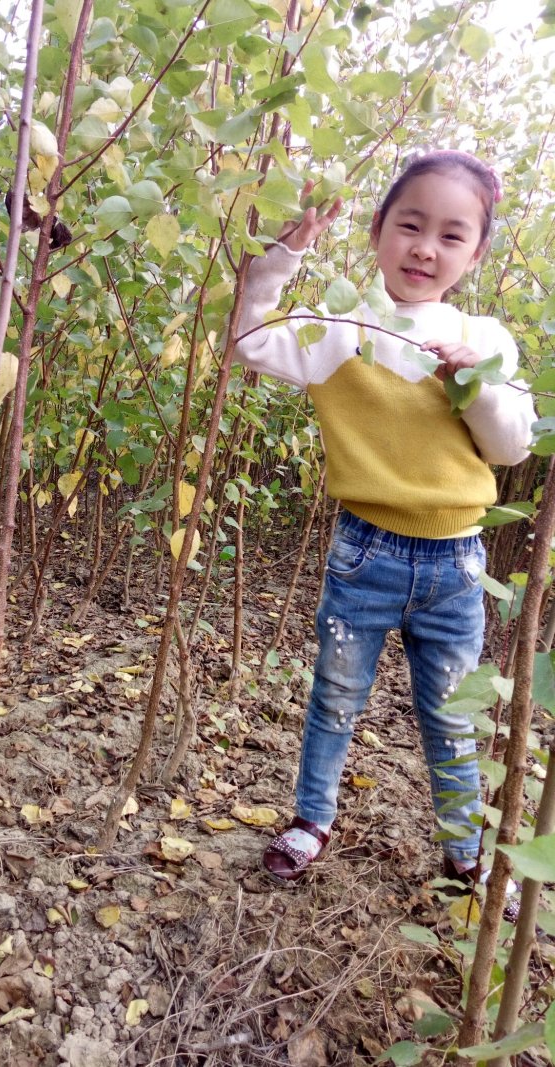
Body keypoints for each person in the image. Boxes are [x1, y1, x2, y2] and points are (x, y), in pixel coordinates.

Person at [234, 150, 536, 892]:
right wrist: (285, 252)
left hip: (456, 566)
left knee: (451, 715)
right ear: (376, 231)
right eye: (409, 225)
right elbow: (246, 340)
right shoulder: (340, 327)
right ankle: (311, 818)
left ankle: (463, 846)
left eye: (452, 235)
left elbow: (510, 446)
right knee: (335, 697)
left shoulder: (485, 338)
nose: (425, 248)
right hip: (364, 554)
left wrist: (475, 383)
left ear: (477, 251)